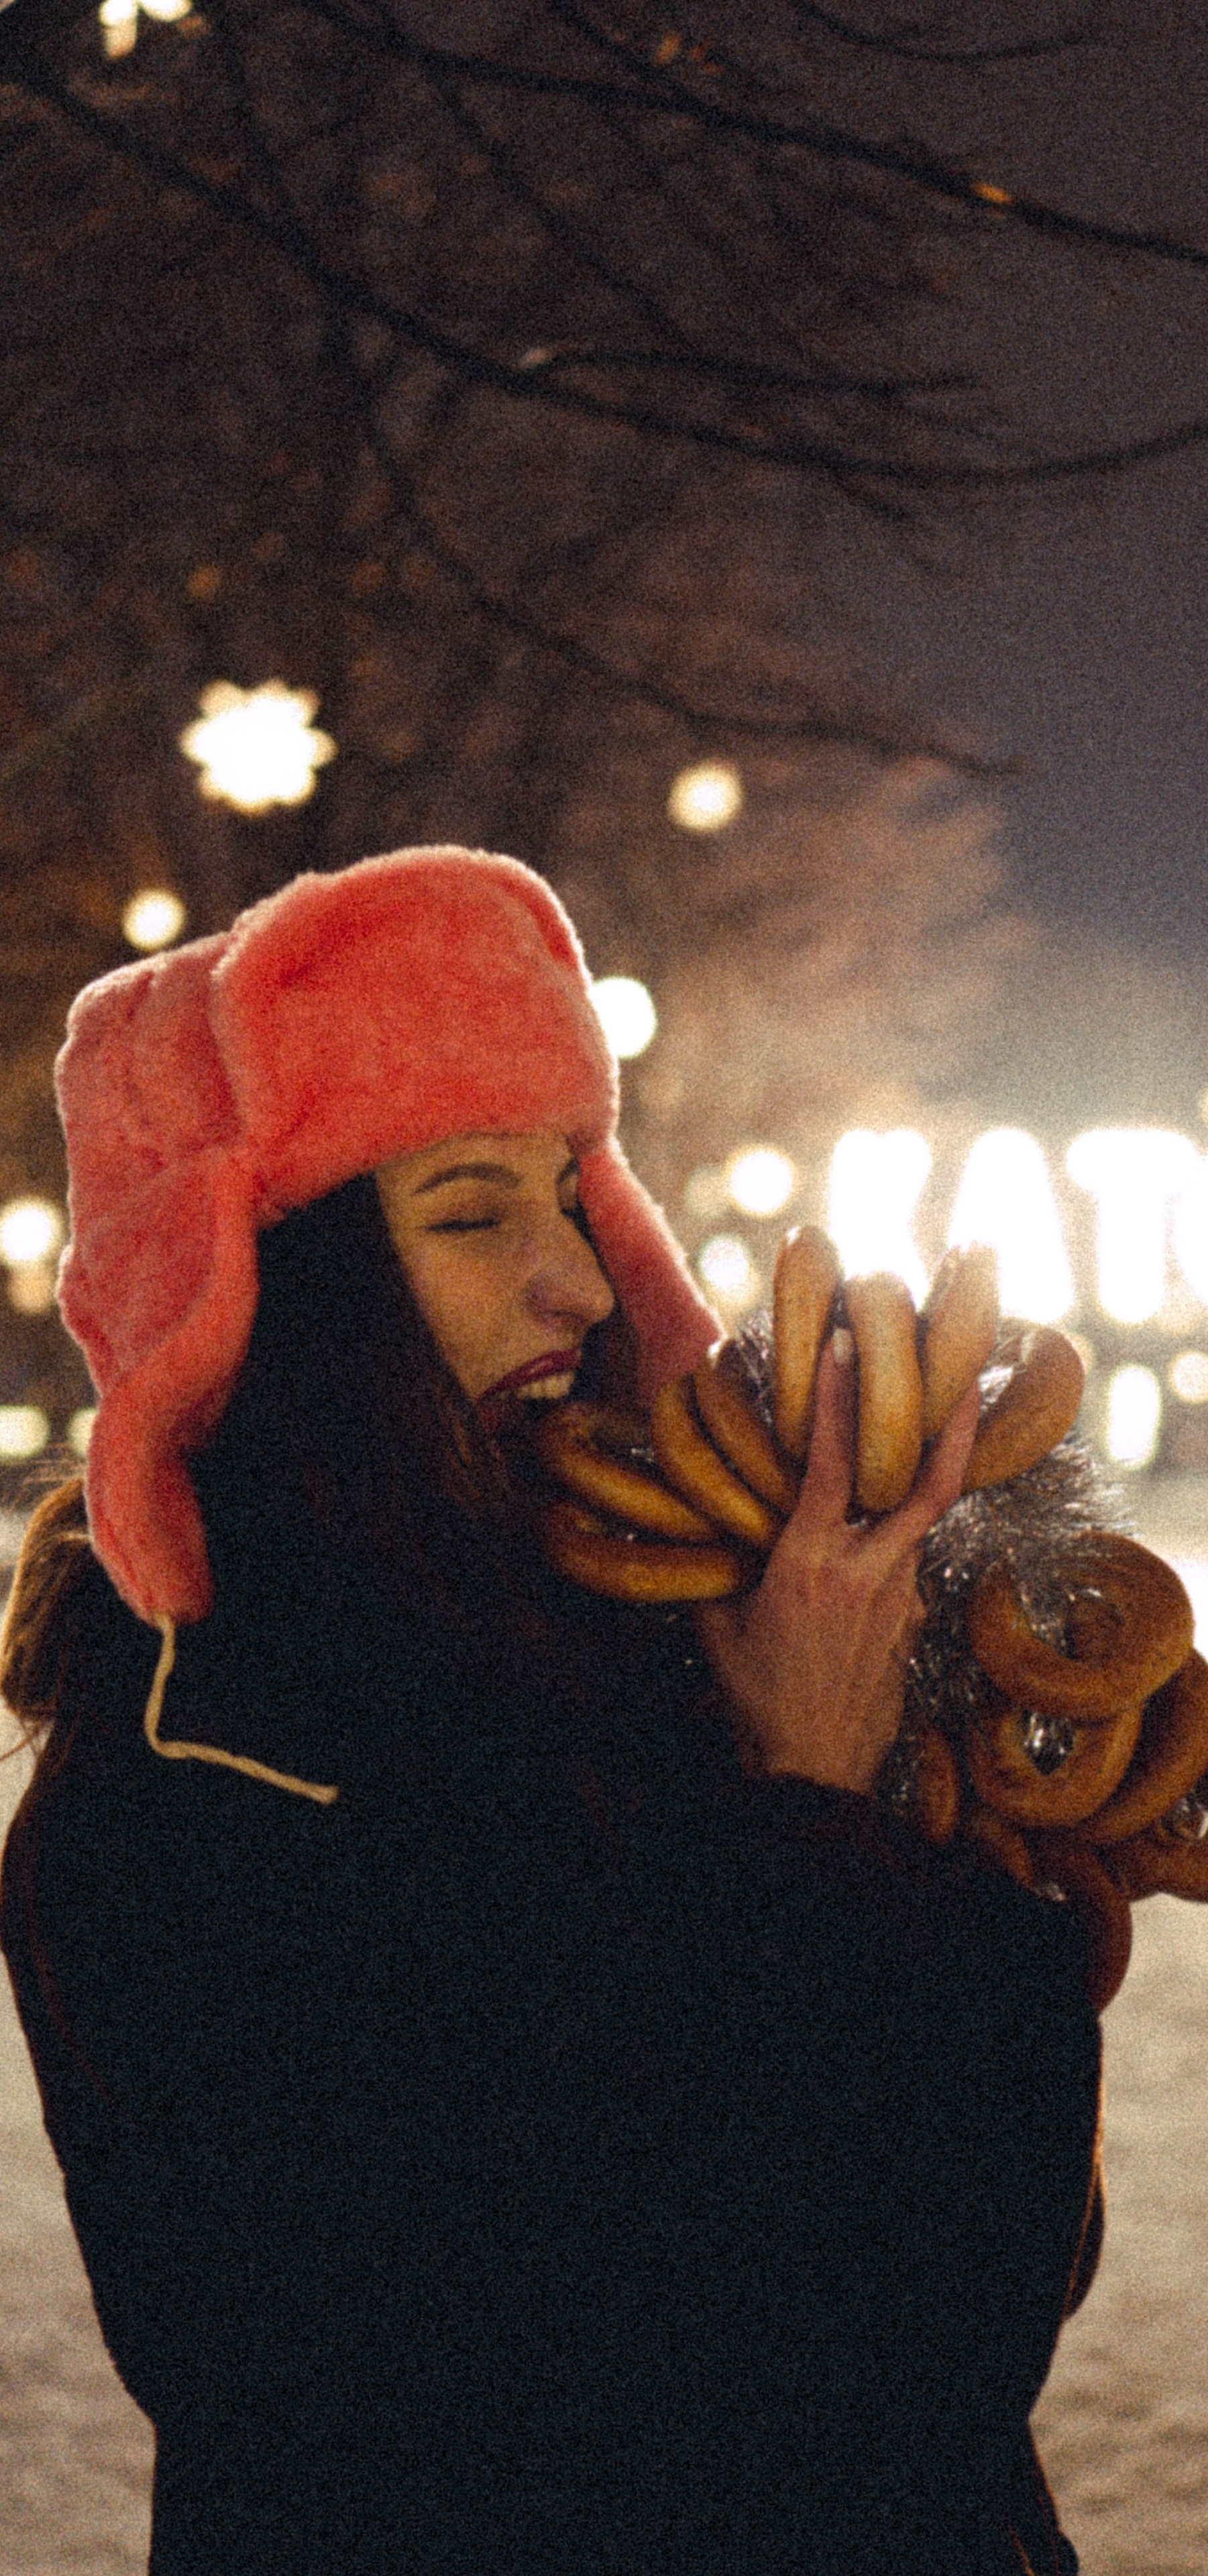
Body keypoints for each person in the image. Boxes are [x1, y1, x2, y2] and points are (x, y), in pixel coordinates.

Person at [0, 849, 1102, 2576]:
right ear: (268, 1298)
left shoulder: (656, 1651)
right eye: (466, 1212)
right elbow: (585, 2401)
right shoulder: (201, 1794)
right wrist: (807, 1817)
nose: (579, 1284)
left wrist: (930, 1792)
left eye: (573, 1197)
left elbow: (997, 2279)